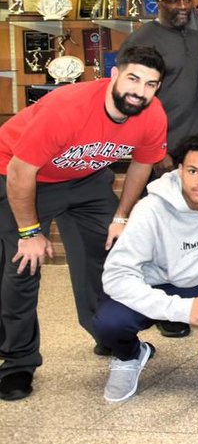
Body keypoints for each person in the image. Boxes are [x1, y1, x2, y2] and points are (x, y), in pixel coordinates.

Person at [0, 46, 167, 401]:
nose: (139, 91)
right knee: (22, 268)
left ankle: (107, 334)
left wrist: (122, 216)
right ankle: (18, 362)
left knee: (108, 254)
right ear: (114, 75)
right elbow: (20, 170)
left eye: (151, 84)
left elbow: (142, 164)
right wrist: (30, 233)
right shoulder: (68, 108)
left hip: (85, 178)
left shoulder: (151, 115)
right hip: (20, 174)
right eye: (133, 79)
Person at [94, 135, 198, 403]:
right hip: (153, 284)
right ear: (180, 170)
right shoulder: (150, 208)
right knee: (107, 323)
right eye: (193, 171)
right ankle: (130, 355)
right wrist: (182, 310)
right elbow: (116, 276)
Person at [118, 0, 198, 176]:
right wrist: (155, 151)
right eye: (174, 1)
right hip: (162, 154)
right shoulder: (141, 41)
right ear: (159, 2)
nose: (183, 6)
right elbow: (130, 103)